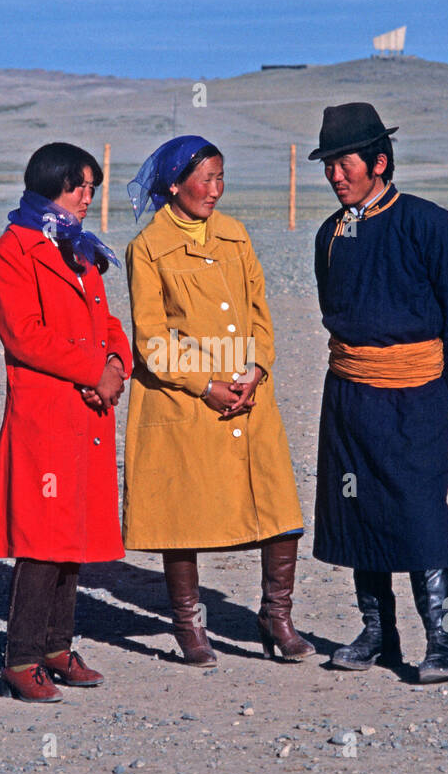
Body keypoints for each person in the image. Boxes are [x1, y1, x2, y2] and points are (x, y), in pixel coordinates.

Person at [122, 136, 313, 666]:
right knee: (181, 515)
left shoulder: (235, 236)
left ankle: (277, 617)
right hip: (186, 401)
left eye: (221, 177)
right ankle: (188, 624)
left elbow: (259, 311)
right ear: (174, 184)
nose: (215, 189)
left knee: (277, 508)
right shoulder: (149, 249)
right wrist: (207, 383)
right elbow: (152, 339)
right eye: (205, 179)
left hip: (250, 396)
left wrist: (257, 368)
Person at [309, 103, 448, 682]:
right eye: (328, 165)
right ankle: (379, 633)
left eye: (344, 163)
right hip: (350, 394)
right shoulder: (329, 235)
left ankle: (446, 640)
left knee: (421, 512)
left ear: (379, 162)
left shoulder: (426, 223)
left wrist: (439, 381)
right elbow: (335, 310)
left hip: (416, 396)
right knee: (359, 508)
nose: (335, 175)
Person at [0, 142, 132, 702]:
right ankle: (20, 658)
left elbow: (105, 318)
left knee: (73, 533)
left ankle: (56, 647)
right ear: (50, 186)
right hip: (47, 410)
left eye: (92, 188)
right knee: (42, 539)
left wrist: (117, 361)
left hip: (88, 408)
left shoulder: (80, 248)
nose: (87, 198)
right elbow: (24, 335)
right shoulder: (12, 251)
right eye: (78, 187)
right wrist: (96, 368)